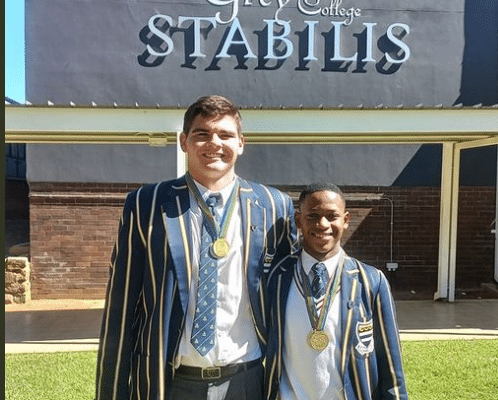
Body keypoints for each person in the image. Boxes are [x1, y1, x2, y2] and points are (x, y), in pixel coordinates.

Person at [95, 95, 297, 400]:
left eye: (225, 135)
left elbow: (291, 299)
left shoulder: (274, 206)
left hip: (248, 381)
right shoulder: (146, 204)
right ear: (183, 142)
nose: (214, 143)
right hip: (171, 383)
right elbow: (121, 309)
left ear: (241, 143)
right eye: (202, 134)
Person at [266, 182, 408, 400]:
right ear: (299, 220)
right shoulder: (277, 278)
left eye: (332, 216)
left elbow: (390, 362)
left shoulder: (371, 281)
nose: (322, 224)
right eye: (312, 216)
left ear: (346, 220)